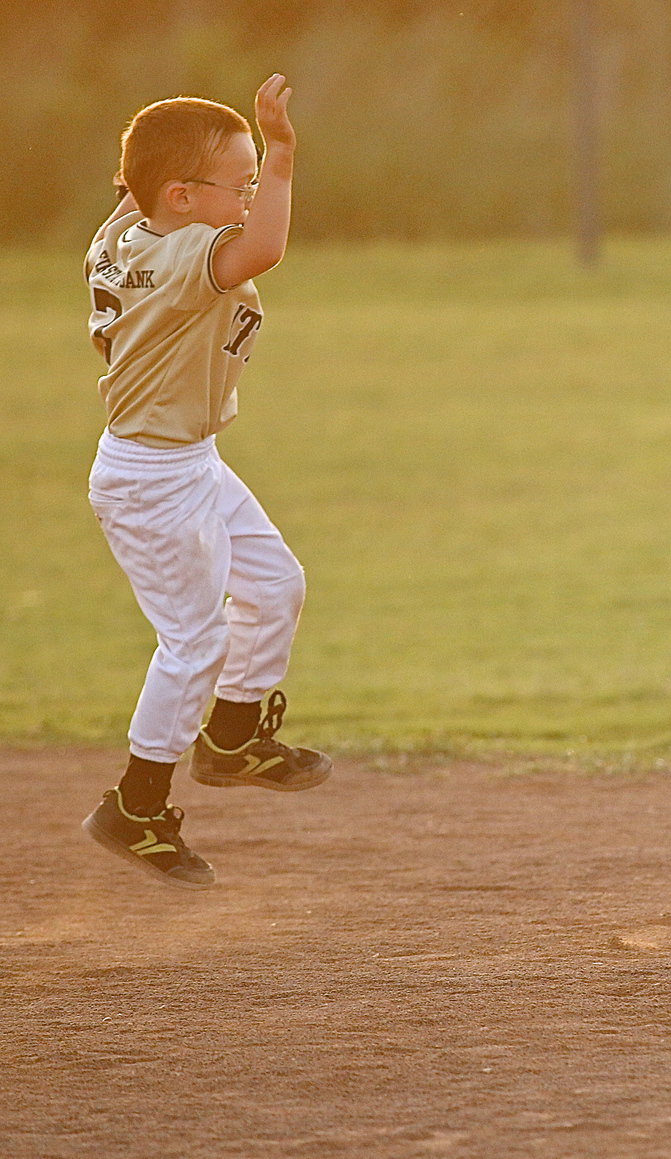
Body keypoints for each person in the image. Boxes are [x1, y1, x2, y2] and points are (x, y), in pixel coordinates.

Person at [81, 75, 330, 890]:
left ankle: (230, 739)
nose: (253, 195)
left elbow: (135, 198)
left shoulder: (126, 234)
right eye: (243, 184)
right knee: (194, 645)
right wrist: (286, 155)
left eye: (258, 180)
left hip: (189, 461)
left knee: (274, 583)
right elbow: (263, 249)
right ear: (183, 198)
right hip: (151, 479)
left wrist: (149, 168)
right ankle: (136, 806)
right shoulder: (189, 251)